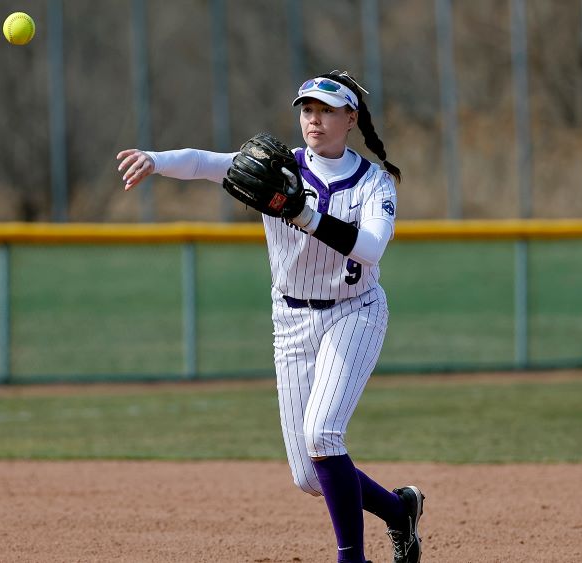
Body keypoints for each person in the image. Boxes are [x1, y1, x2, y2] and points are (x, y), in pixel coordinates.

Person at [117, 70, 425, 563]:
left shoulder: (374, 181)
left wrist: (302, 214)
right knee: (309, 474)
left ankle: (353, 559)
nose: (314, 120)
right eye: (307, 110)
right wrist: (154, 160)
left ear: (351, 118)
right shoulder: (278, 168)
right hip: (292, 321)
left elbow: (369, 248)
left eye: (326, 111)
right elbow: (203, 163)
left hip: (355, 313)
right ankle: (397, 512)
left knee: (324, 434)